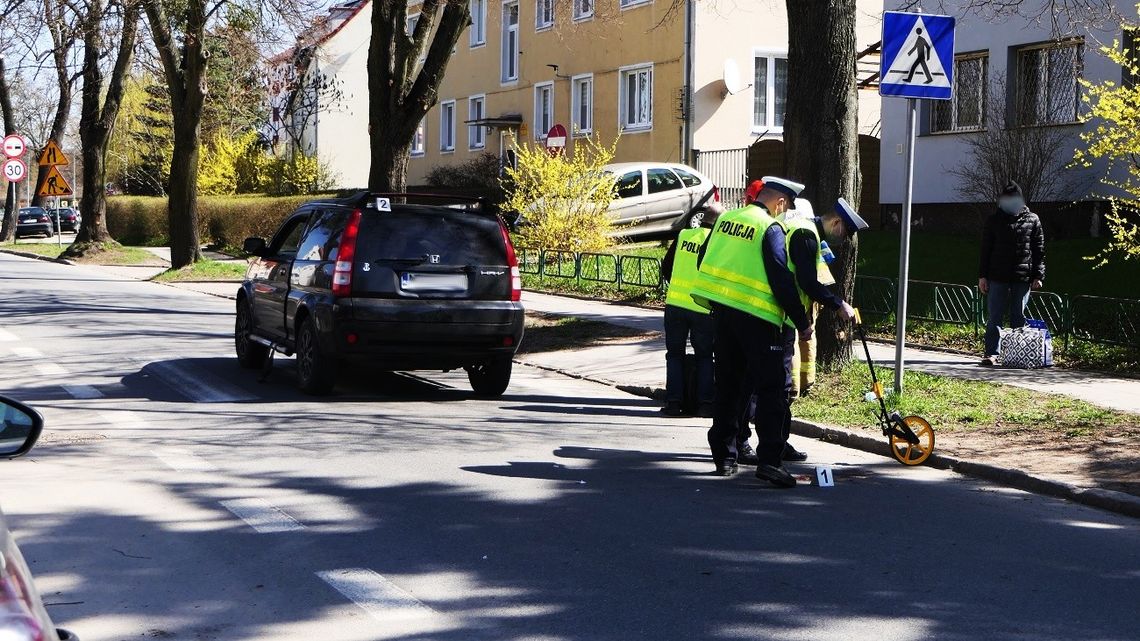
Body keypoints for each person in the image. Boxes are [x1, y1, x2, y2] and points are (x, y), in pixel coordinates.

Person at [690, 177, 812, 488]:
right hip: (759, 319)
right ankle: (770, 460)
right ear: (780, 203)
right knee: (772, 391)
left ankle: (725, 456)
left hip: (723, 315)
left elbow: (704, 258)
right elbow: (780, 277)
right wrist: (801, 320)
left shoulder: (727, 219)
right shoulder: (770, 228)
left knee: (729, 385)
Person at [979, 181, 1045, 366]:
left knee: (1019, 316)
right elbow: (986, 249)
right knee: (995, 316)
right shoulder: (993, 221)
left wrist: (1038, 275)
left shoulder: (1032, 219)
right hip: (997, 275)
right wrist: (983, 276)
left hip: (1022, 276)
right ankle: (992, 353)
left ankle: (1017, 354)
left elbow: (1038, 249)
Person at [659, 211, 719, 417]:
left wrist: (677, 285)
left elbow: (666, 268)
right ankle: (705, 404)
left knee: (674, 355)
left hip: (675, 304)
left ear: (702, 220)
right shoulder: (716, 242)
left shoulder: (684, 235)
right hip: (702, 307)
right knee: (704, 357)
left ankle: (674, 402)